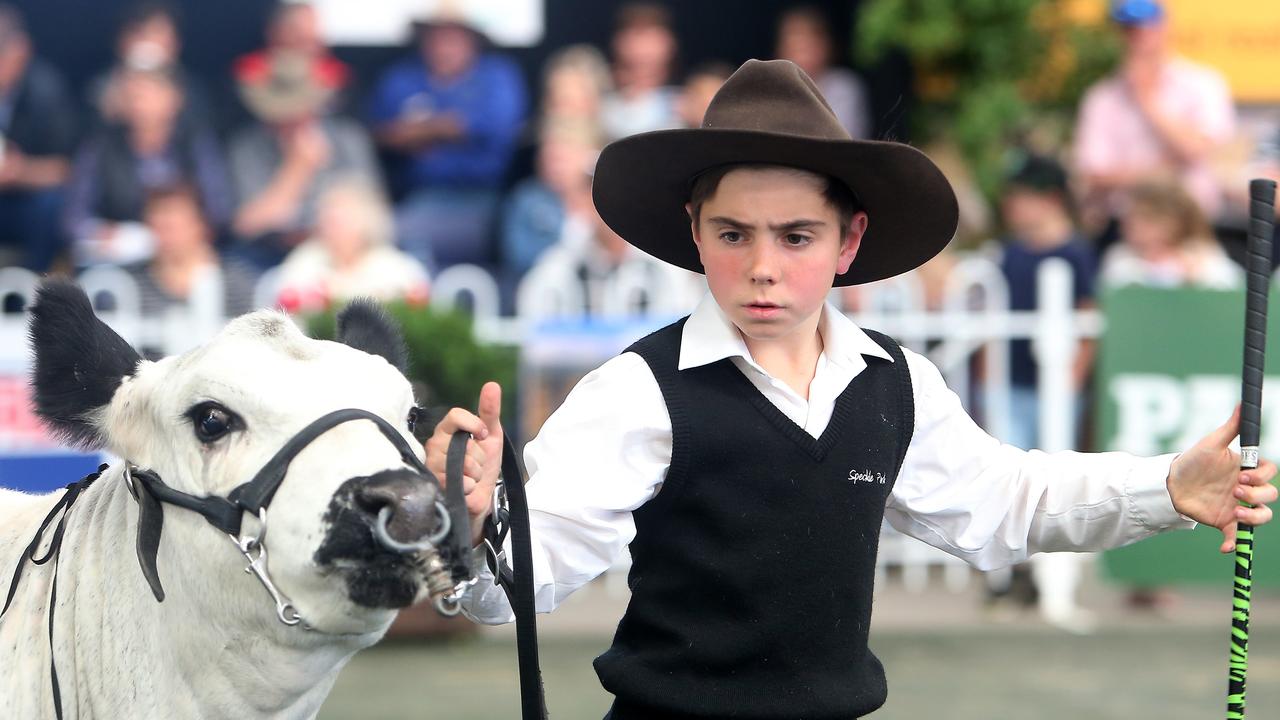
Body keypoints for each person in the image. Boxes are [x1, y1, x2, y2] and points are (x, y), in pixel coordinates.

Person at [428, 60, 1277, 719]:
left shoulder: (895, 383)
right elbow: (516, 587)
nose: (763, 266)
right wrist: (472, 533)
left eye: (797, 235)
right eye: (733, 234)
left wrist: (1168, 486)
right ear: (694, 233)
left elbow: (1007, 499)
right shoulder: (637, 391)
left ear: (848, 240)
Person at [368, 9, 527, 271]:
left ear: (472, 40)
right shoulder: (404, 76)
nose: (443, 46)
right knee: (381, 227)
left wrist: (422, 131)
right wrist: (446, 129)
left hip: (483, 198)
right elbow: (383, 133)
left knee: (404, 233)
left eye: (453, 37)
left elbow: (496, 127)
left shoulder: (497, 75)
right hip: (417, 195)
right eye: (436, 36)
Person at [1073, 0, 1236, 246]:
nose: (1139, 36)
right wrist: (1162, 170)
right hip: (1125, 228)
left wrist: (1147, 101)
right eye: (1130, 28)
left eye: (1146, 26)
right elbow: (1094, 174)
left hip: (1192, 224)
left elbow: (1194, 149)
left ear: (1164, 26)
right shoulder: (1102, 97)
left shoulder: (1203, 83)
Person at [64, 61, 233, 268]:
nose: (138, 103)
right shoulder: (101, 146)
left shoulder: (195, 144)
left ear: (174, 98)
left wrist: (176, 233)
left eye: (147, 94)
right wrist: (100, 233)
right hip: (119, 259)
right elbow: (74, 217)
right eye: (131, 95)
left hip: (185, 255)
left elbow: (219, 210)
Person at [229, 49, 380, 268]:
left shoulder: (348, 139)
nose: (288, 122)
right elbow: (246, 226)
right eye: (279, 116)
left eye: (298, 113)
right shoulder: (247, 147)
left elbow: (371, 212)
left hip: (343, 252)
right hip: (270, 254)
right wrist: (297, 170)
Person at [122, 184, 257, 358]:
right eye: (158, 226)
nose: (165, 236)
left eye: (173, 226)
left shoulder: (238, 284)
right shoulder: (130, 286)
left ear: (201, 225)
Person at [274, 176, 429, 313]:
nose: (333, 229)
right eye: (328, 220)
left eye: (344, 221)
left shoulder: (396, 266)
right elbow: (287, 307)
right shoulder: (305, 260)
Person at [0, 4, 76, 272]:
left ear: (20, 50)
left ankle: (30, 290)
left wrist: (20, 171)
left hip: (22, 200)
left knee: (51, 204)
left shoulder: (48, 93)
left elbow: (67, 169)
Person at [1099, 178, 1242, 289]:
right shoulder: (1121, 257)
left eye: (1142, 218)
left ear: (1169, 222)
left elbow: (1230, 289)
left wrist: (1192, 278)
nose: (1127, 225)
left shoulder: (1204, 257)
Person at [774, 5, 871, 139]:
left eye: (808, 48)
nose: (803, 57)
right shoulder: (773, 88)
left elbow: (843, 136)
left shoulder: (843, 87)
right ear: (781, 51)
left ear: (824, 48)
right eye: (796, 49)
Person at [600, 2, 680, 140]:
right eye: (637, 35)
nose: (643, 49)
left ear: (669, 43)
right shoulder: (600, 105)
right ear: (618, 43)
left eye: (651, 35)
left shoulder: (684, 104)